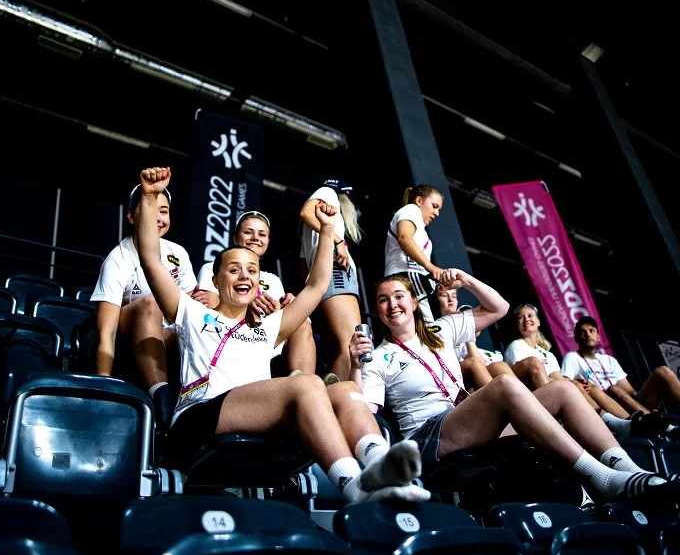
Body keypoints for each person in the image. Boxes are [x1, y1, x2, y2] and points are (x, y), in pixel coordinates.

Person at [136, 168, 429, 503]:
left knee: (347, 390)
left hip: (259, 420)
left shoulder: (267, 327)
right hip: (198, 420)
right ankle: (354, 487)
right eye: (234, 269)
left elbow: (317, 286)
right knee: (307, 383)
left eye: (252, 270)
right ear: (215, 280)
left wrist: (328, 229)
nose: (244, 275)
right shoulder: (191, 312)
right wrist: (149, 196)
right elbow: (151, 259)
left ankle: (381, 467)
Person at [353, 272, 680, 503]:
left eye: (398, 296)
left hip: (467, 420)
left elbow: (500, 307)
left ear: (414, 302)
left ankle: (631, 471)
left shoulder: (441, 330)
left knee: (564, 390)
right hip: (429, 437)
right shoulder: (378, 357)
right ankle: (601, 479)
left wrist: (466, 279)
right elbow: (363, 412)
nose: (392, 305)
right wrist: (356, 365)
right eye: (383, 300)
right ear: (379, 311)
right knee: (504, 385)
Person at [562, 316, 680, 444]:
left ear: (598, 336)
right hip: (607, 405)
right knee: (614, 390)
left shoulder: (609, 360)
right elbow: (565, 382)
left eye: (591, 331)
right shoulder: (572, 357)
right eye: (583, 332)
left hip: (629, 402)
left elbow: (628, 389)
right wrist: (579, 384)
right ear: (577, 338)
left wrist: (645, 397)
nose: (588, 335)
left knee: (662, 371)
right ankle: (667, 428)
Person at [504, 304, 667, 438]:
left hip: (552, 392)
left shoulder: (547, 354)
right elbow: (526, 379)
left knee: (585, 387)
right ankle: (612, 424)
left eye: (530, 315)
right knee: (572, 385)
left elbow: (558, 378)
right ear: (517, 325)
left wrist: (574, 383)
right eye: (521, 317)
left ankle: (626, 424)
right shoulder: (516, 346)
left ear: (539, 322)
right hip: (534, 397)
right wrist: (570, 383)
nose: (526, 319)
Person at [91, 183, 197, 388]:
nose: (157, 218)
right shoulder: (118, 258)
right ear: (131, 217)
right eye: (149, 210)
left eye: (163, 211)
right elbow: (107, 332)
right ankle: (160, 392)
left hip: (167, 333)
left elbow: (190, 308)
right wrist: (103, 383)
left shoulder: (178, 253)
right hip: (128, 335)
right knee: (150, 304)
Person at [192, 211, 316, 375]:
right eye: (248, 232)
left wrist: (291, 307)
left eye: (262, 234)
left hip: (267, 344)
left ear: (268, 241)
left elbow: (279, 319)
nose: (255, 238)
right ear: (235, 238)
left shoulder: (272, 280)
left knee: (302, 322)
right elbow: (211, 310)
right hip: (229, 343)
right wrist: (249, 309)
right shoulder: (212, 269)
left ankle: (303, 381)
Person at [299, 179, 363, 382]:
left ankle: (330, 396)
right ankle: (335, 398)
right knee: (352, 347)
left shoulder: (310, 232)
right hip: (336, 271)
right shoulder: (328, 192)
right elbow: (306, 212)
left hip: (322, 281)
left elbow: (303, 264)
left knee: (338, 350)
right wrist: (339, 242)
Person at [384, 185, 445, 322]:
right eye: (434, 206)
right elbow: (404, 238)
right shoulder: (411, 210)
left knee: (416, 329)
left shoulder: (419, 227)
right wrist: (430, 267)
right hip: (407, 277)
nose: (437, 213)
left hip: (406, 279)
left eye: (439, 209)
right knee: (430, 328)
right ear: (419, 201)